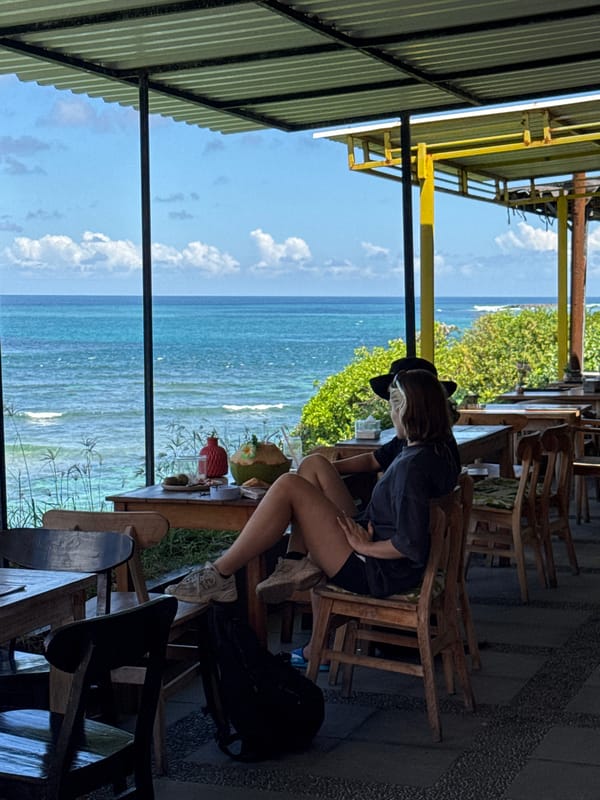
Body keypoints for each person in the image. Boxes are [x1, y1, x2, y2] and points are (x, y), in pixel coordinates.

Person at [165, 368, 460, 664]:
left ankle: (220, 574)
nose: (390, 411)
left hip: (375, 569)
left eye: (394, 404)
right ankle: (293, 564)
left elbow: (411, 544)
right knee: (313, 465)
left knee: (289, 485)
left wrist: (365, 547)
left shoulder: (412, 469)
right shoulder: (434, 450)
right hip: (380, 551)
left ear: (406, 410)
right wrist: (334, 469)